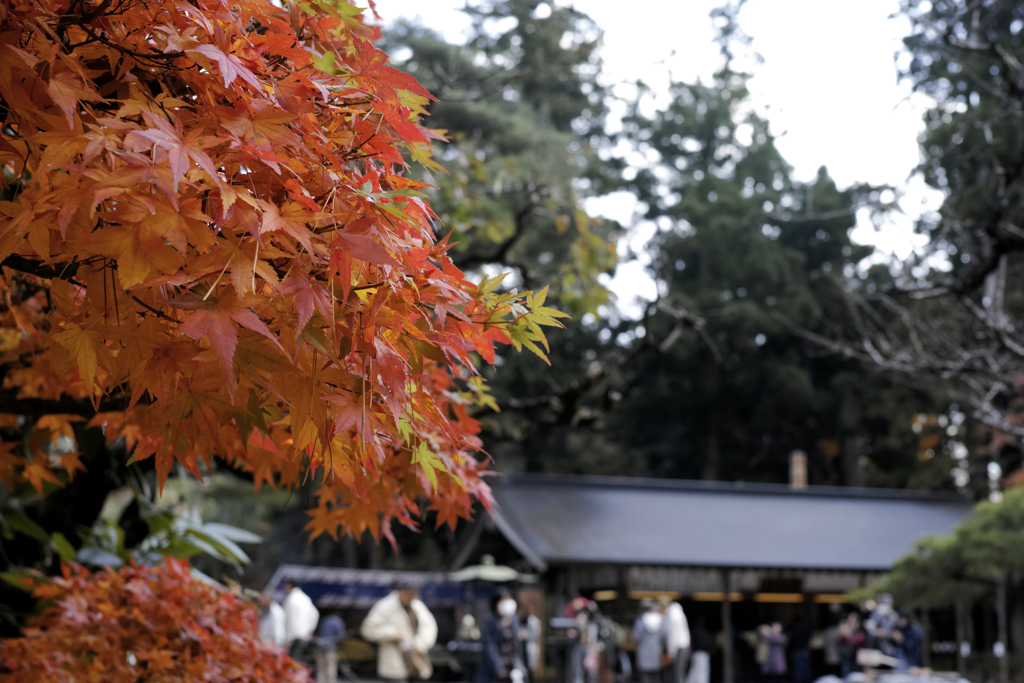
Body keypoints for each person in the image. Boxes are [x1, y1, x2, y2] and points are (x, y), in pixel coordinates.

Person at [360, 580, 438, 681]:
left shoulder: (417, 605)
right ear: (400, 591)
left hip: (416, 662)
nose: (413, 596)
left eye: (415, 593)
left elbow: (430, 626)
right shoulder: (385, 606)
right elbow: (367, 630)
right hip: (394, 666)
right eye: (410, 593)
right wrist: (392, 634)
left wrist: (421, 643)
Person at [477, 589, 523, 683]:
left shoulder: (513, 619)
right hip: (495, 669)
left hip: (512, 666)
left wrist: (519, 666)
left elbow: (517, 645)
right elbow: (490, 646)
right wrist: (498, 667)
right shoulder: (490, 621)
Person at [283, 580, 320, 659]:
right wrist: (310, 630)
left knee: (290, 662)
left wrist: (287, 639)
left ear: (289, 586)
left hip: (293, 637)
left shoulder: (290, 599)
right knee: (297, 661)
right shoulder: (305, 598)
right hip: (304, 635)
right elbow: (315, 614)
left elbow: (288, 620)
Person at [631, 599, 666, 683]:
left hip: (644, 653)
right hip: (656, 652)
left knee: (644, 678)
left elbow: (635, 637)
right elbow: (664, 636)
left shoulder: (640, 620)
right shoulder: (661, 619)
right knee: (656, 677)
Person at [659, 598, 690, 683]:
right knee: (679, 673)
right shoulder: (676, 612)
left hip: (678, 647)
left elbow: (672, 635)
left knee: (676, 673)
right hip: (682, 646)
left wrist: (670, 652)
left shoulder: (672, 614)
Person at [315, 610, 345, 683]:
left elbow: (318, 632)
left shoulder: (324, 620)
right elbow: (340, 636)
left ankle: (320, 681)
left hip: (319, 646)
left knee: (321, 667)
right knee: (330, 667)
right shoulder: (338, 621)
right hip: (330, 647)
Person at [517, 602, 542, 679]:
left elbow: (536, 634)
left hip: (529, 647)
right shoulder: (518, 620)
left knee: (529, 670)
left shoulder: (533, 621)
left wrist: (525, 635)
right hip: (521, 648)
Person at [838, 613, 864, 678]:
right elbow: (842, 639)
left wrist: (845, 636)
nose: (851, 622)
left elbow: (855, 640)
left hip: (858, 658)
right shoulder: (847, 628)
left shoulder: (860, 632)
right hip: (847, 656)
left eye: (853, 620)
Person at [788, 614, 811, 683]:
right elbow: (809, 637)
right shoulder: (806, 627)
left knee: (798, 670)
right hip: (805, 649)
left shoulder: (795, 628)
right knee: (805, 668)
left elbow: (792, 640)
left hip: (798, 650)